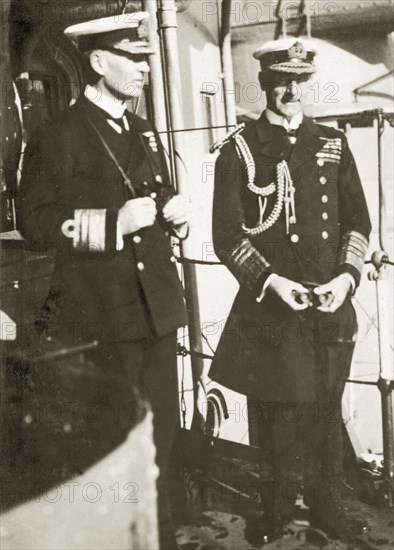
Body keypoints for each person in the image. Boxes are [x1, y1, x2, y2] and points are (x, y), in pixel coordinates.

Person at [18, 12, 188, 549]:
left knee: (162, 433)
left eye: (144, 60)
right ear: (97, 62)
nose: (143, 70)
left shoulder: (141, 130)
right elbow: (36, 222)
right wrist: (113, 224)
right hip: (104, 313)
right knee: (118, 439)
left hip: (157, 307)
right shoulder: (56, 134)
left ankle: (160, 531)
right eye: (132, 59)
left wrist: (174, 217)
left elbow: (152, 199)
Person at [209, 38, 371, 543]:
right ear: (264, 85)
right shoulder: (238, 150)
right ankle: (275, 511)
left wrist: (346, 279)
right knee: (274, 419)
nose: (292, 89)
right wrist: (271, 281)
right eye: (282, 81)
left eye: (301, 80)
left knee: (326, 413)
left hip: (329, 307)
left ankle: (327, 508)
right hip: (272, 310)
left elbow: (357, 224)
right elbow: (227, 235)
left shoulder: (333, 143)